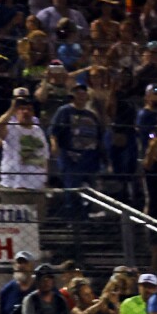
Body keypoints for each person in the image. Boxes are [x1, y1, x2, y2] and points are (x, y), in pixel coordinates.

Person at [49, 82, 104, 217]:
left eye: (83, 93)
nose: (81, 96)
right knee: (72, 188)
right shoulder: (64, 111)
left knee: (90, 189)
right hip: (70, 156)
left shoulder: (91, 115)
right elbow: (53, 130)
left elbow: (98, 136)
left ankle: (86, 215)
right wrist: (54, 145)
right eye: (78, 93)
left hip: (89, 156)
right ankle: (73, 217)